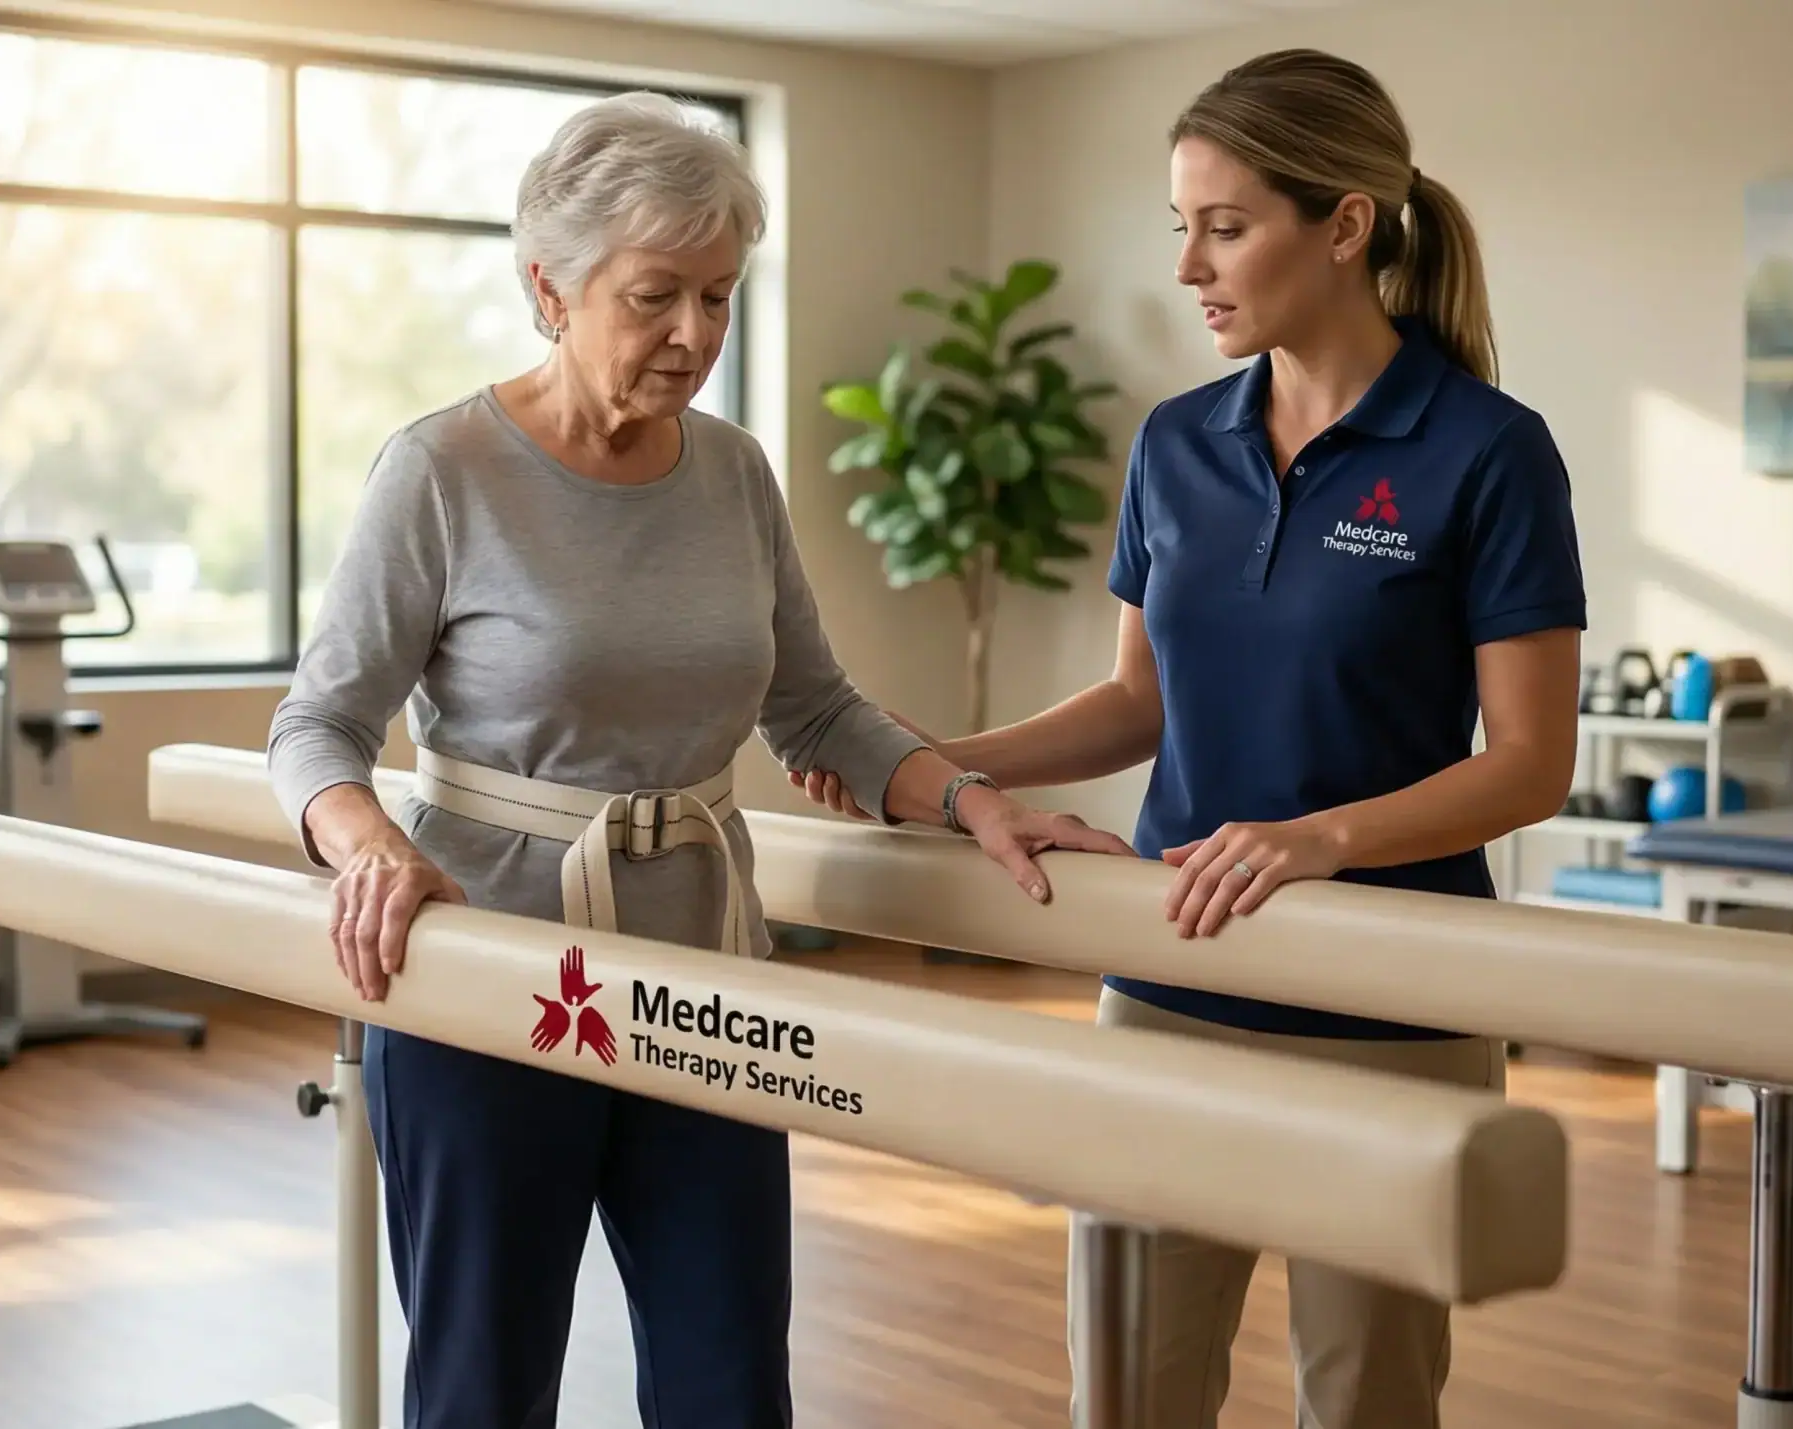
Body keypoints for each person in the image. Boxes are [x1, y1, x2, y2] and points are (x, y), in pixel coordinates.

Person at [268, 92, 1131, 1429]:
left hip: (704, 980)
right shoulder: (441, 472)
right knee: (484, 1390)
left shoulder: (732, 473)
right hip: (492, 979)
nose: (694, 337)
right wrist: (369, 843)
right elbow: (317, 725)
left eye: (720, 298)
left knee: (732, 1385)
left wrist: (971, 802)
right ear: (548, 288)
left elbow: (819, 710)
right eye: (656, 296)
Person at [792, 47, 1584, 1429]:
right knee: (1133, 1390)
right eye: (1183, 229)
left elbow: (1530, 763)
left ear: (1343, 225)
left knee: (1368, 1403)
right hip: (1170, 977)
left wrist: (1315, 839)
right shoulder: (1176, 445)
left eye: (1226, 227)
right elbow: (1136, 707)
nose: (1190, 267)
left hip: (1389, 998)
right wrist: (937, 762)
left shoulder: (1488, 452)